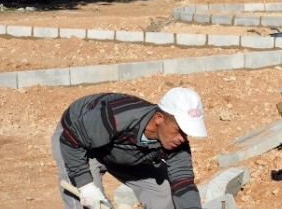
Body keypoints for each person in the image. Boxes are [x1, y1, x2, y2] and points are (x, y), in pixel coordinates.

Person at [51, 87, 208, 209]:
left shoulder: (176, 142)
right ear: (159, 118)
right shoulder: (116, 117)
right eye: (179, 130)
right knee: (88, 202)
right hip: (78, 142)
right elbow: (70, 140)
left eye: (187, 133)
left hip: (124, 150)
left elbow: (183, 184)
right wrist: (85, 185)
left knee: (164, 194)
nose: (182, 138)